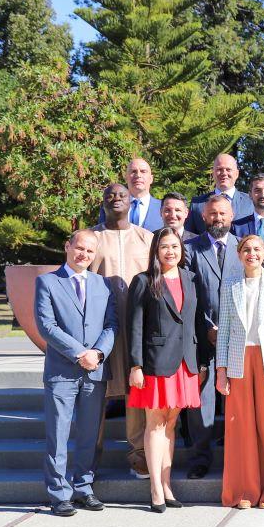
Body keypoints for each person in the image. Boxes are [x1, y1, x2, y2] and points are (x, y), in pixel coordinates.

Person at [35, 230, 117, 517]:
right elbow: (47, 326)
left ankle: (84, 488)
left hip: (95, 370)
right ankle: (59, 495)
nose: (84, 255)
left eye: (90, 251)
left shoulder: (102, 285)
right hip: (62, 372)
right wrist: (80, 353)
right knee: (58, 435)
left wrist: (97, 353)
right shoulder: (47, 282)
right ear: (68, 247)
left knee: (89, 434)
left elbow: (111, 325)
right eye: (79, 248)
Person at [215, 235, 264, 509]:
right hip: (238, 361)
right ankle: (243, 491)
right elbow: (223, 330)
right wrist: (221, 370)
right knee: (241, 428)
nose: (251, 254)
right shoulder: (230, 286)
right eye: (246, 250)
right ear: (239, 255)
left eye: (256, 249)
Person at [127, 228, 202, 512]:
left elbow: (193, 322)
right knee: (155, 424)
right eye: (164, 247)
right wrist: (135, 365)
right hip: (155, 363)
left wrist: (199, 363)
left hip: (185, 362)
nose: (170, 251)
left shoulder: (191, 279)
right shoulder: (144, 281)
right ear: (156, 252)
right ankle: (155, 488)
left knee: (171, 424)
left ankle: (167, 484)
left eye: (174, 246)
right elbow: (134, 326)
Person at [91, 183, 154, 479]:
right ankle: (89, 456)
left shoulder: (146, 238)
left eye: (122, 195)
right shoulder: (93, 238)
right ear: (102, 202)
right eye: (110, 195)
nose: (116, 199)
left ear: (131, 202)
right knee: (96, 390)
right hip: (98, 327)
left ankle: (138, 454)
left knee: (135, 388)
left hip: (136, 325)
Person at [185, 194, 244, 479]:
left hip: (239, 339)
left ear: (231, 217)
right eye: (212, 214)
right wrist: (207, 326)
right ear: (204, 217)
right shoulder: (190, 249)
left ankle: (238, 458)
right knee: (202, 401)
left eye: (222, 214)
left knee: (238, 400)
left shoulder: (244, 248)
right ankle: (200, 458)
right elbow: (187, 295)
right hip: (201, 339)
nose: (217, 218)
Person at [187, 153, 254, 233]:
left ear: (237, 174)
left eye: (228, 170)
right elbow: (189, 237)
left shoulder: (250, 202)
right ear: (213, 173)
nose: (224, 173)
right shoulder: (197, 204)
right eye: (219, 169)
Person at [97, 158, 164, 231]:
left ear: (151, 179)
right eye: (133, 171)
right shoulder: (109, 207)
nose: (138, 175)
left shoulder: (163, 207)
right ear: (126, 178)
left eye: (143, 171)